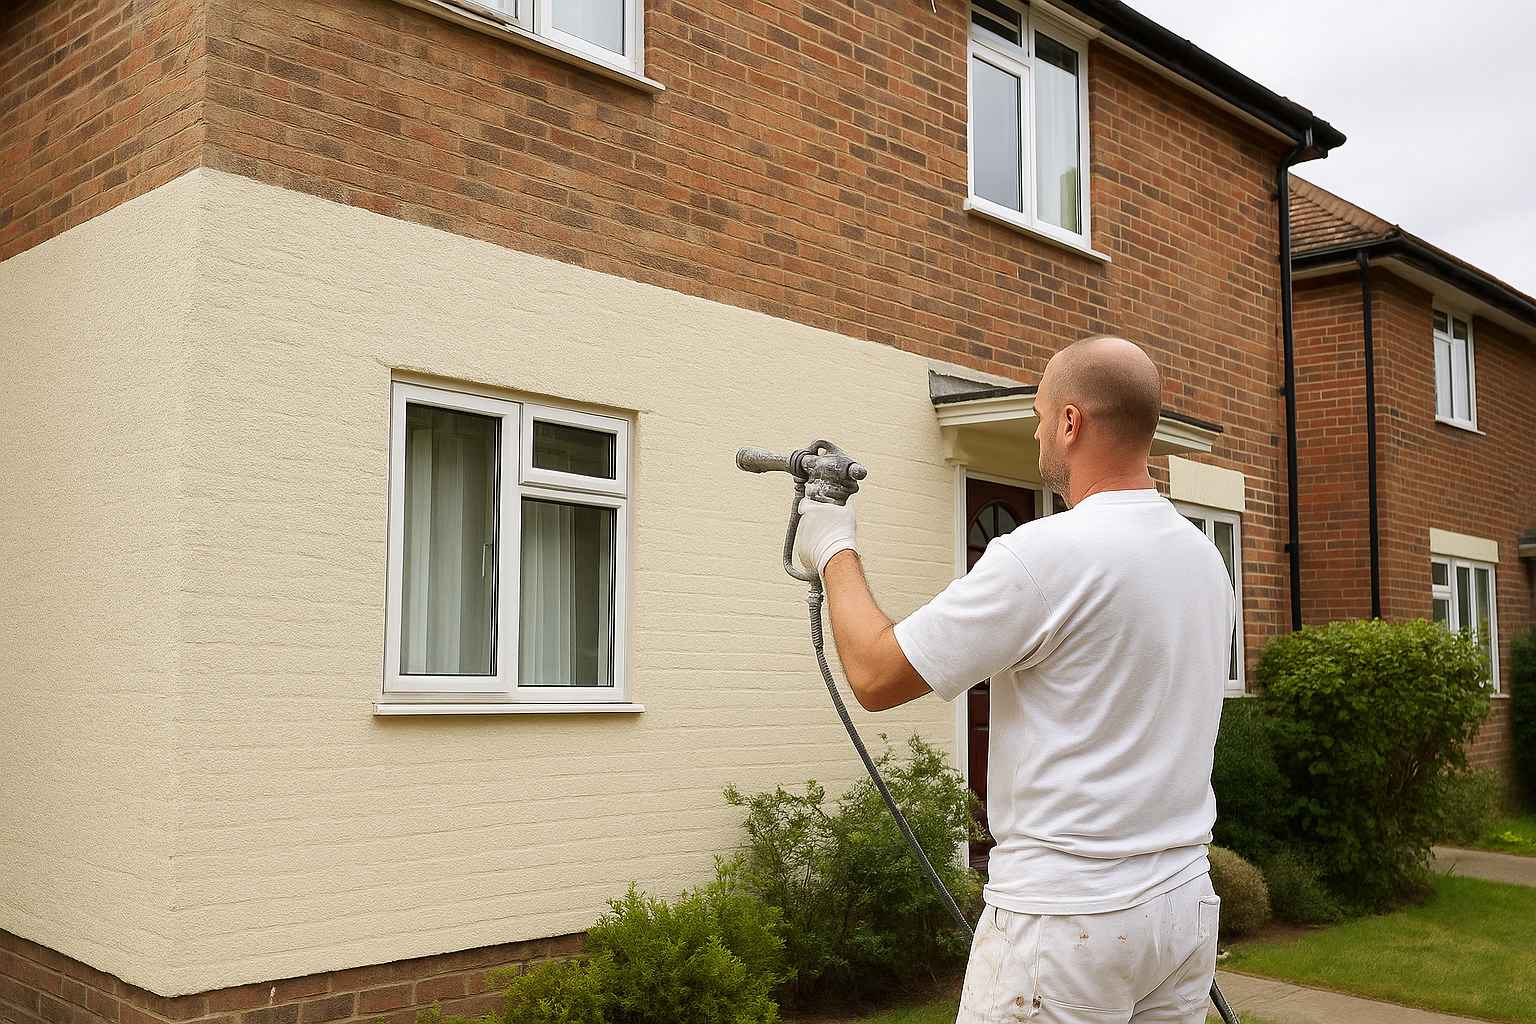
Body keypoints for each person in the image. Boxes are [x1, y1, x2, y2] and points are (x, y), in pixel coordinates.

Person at [793, 335, 1234, 1024]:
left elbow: (876, 674)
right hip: (1180, 905)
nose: (1035, 430)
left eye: (1038, 413)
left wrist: (832, 545)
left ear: (1070, 422)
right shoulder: (1204, 559)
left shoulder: (1044, 556)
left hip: (1068, 921)